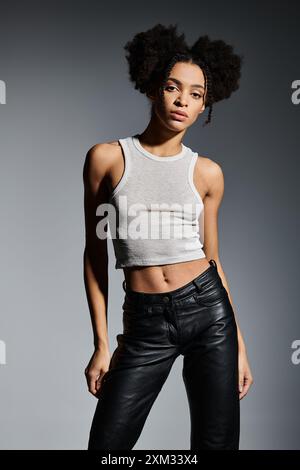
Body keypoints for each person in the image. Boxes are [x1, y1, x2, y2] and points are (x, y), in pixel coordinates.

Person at [83, 23, 253, 450]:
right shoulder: (107, 159)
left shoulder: (207, 173)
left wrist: (240, 347)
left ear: (204, 107)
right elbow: (93, 256)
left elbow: (213, 261)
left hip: (208, 313)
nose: (183, 100)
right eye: (174, 87)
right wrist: (102, 344)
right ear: (153, 86)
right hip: (144, 323)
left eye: (196, 94)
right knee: (107, 448)